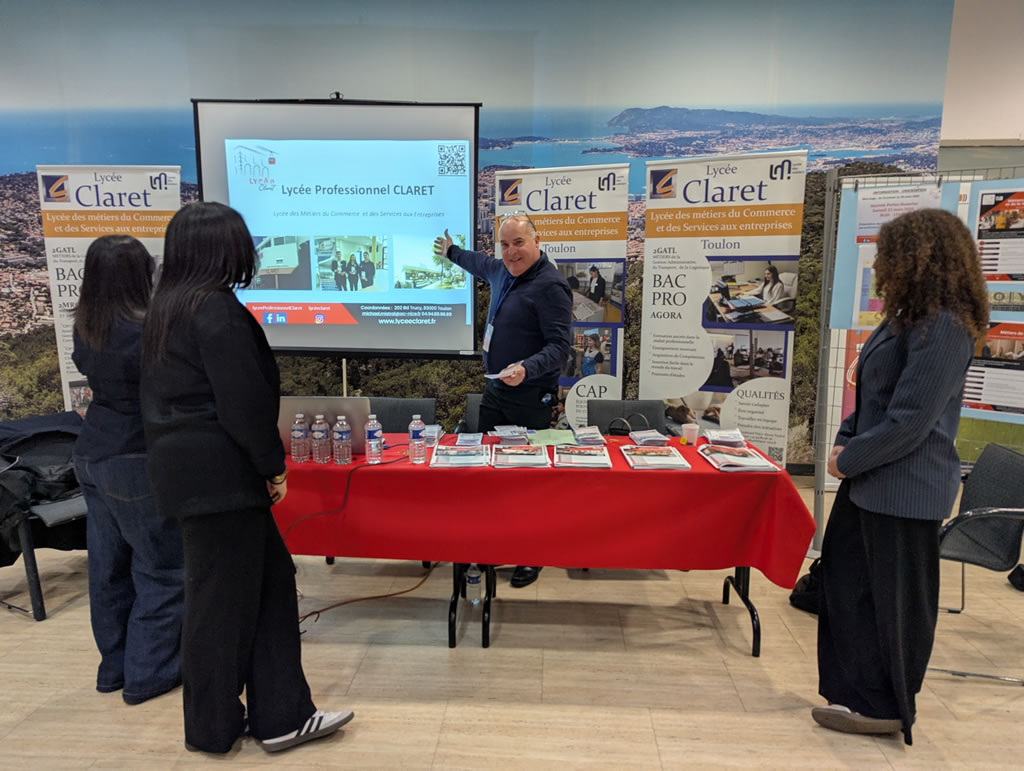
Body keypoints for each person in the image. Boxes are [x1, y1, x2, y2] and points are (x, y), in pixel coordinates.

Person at [141, 202, 352, 754]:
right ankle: (215, 726)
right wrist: (272, 467)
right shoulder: (216, 311)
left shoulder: (168, 307)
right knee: (222, 607)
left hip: (190, 477)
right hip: (223, 480)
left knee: (266, 590)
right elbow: (244, 405)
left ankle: (279, 715)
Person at [816, 208, 989, 745]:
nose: (878, 265)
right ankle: (856, 693)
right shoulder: (905, 318)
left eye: (886, 254)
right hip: (869, 483)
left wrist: (848, 459)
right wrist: (845, 440)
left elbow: (911, 422)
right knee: (849, 589)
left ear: (918, 257)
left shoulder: (944, 328)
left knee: (894, 605)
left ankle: (886, 706)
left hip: (905, 491)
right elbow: (870, 395)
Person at [71, 234, 184, 706]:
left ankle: (114, 668)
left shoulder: (88, 325)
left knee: (109, 570)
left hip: (92, 453)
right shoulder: (146, 331)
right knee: (164, 569)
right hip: (136, 457)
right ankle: (148, 674)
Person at [435, 214, 572, 588]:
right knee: (488, 472)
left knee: (527, 480)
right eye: (505, 244)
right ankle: (491, 544)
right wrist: (451, 252)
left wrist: (527, 368)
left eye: (519, 243)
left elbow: (560, 347)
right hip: (495, 390)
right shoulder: (501, 270)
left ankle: (531, 555)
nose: (511, 252)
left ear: (537, 241)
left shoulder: (551, 287)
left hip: (530, 395)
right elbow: (477, 263)